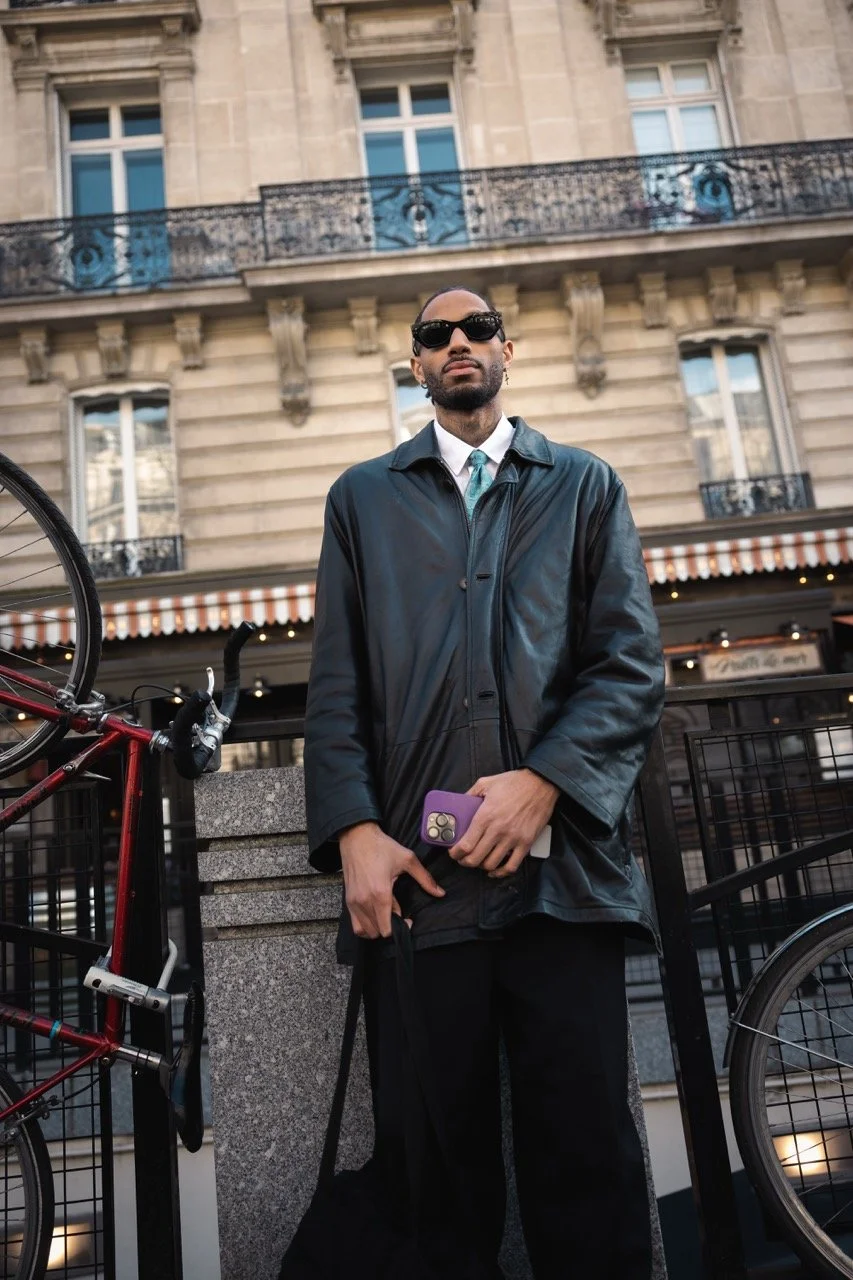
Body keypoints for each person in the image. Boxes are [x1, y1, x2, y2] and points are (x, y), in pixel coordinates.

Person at [304, 284, 665, 1279]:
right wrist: (352, 833)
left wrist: (546, 779)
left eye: (475, 330)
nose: (457, 344)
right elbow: (334, 687)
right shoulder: (360, 500)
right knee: (436, 1187)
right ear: (415, 364)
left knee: (588, 1165)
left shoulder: (584, 484)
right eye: (434, 335)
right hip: (421, 893)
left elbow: (630, 661)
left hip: (566, 890)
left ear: (508, 349)